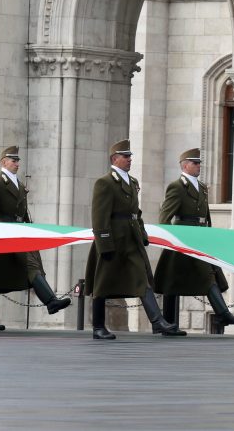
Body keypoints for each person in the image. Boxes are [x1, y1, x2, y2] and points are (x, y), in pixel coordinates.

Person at [84, 140, 182, 340]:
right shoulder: (105, 182)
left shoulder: (132, 181)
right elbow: (99, 216)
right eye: (125, 156)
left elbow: (135, 212)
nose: (130, 159)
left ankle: (157, 321)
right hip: (112, 239)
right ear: (115, 159)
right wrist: (104, 242)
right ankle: (98, 327)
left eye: (130, 156)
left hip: (131, 238)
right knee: (102, 284)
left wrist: (143, 233)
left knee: (142, 279)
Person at [0, 146, 71, 330]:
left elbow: (23, 214)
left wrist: (31, 231)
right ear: (3, 162)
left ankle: (51, 302)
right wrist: (0, 231)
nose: (17, 163)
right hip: (2, 234)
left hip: (19, 232)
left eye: (17, 160)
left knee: (29, 267)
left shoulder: (19, 185)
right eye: (13, 160)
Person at [153, 148, 234, 330]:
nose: (199, 166)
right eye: (195, 163)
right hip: (183, 238)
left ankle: (220, 315)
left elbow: (206, 216)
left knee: (203, 275)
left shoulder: (201, 187)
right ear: (185, 165)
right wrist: (172, 239)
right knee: (175, 281)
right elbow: (164, 217)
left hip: (199, 237)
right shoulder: (177, 187)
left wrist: (208, 234)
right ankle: (219, 314)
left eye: (199, 163)